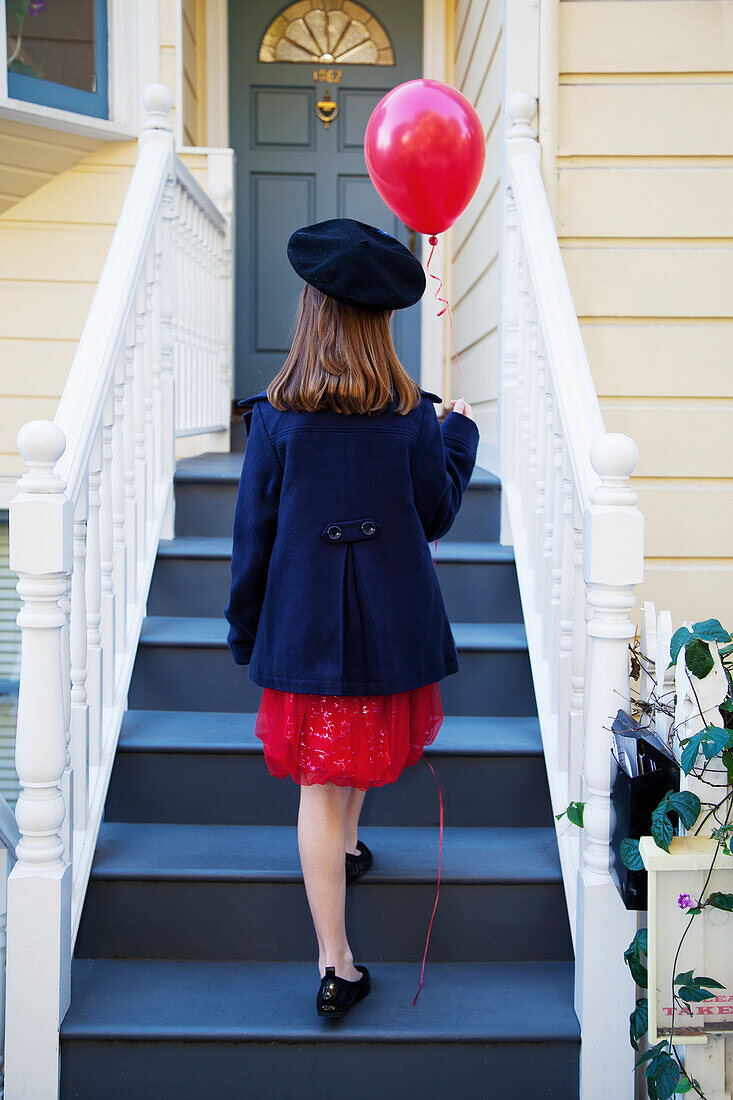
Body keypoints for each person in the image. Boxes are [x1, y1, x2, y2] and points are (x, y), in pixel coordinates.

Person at [224, 217, 479, 1020]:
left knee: (318, 783)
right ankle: (336, 936)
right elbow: (434, 514)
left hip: (302, 626)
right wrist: (458, 437)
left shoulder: (273, 418)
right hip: (385, 626)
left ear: (311, 313)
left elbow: (251, 543)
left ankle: (338, 957)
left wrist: (243, 628)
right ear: (379, 324)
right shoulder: (409, 417)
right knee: (351, 752)